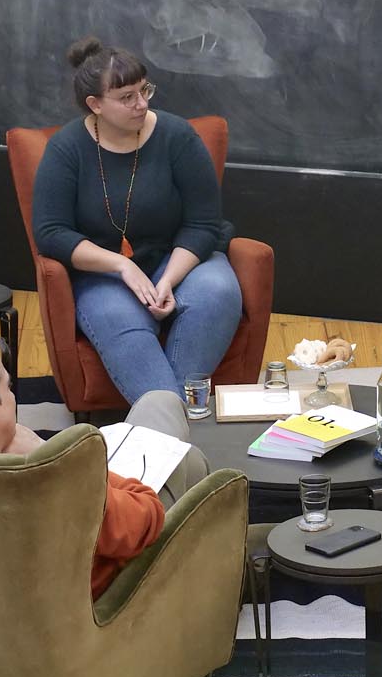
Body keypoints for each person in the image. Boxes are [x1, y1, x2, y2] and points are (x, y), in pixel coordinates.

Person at [0, 334, 211, 598]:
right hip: (101, 604)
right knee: (186, 453)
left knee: (161, 407)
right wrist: (51, 453)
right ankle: (206, 582)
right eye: (7, 388)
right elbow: (147, 517)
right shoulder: (50, 484)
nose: (12, 396)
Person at [31, 38, 243, 404]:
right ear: (95, 104)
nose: (141, 103)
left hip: (181, 259)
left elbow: (204, 222)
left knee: (219, 291)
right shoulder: (66, 149)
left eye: (144, 90)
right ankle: (181, 420)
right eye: (127, 97)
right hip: (103, 272)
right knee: (118, 319)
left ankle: (167, 422)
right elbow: (51, 233)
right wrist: (121, 266)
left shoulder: (177, 136)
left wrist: (168, 279)